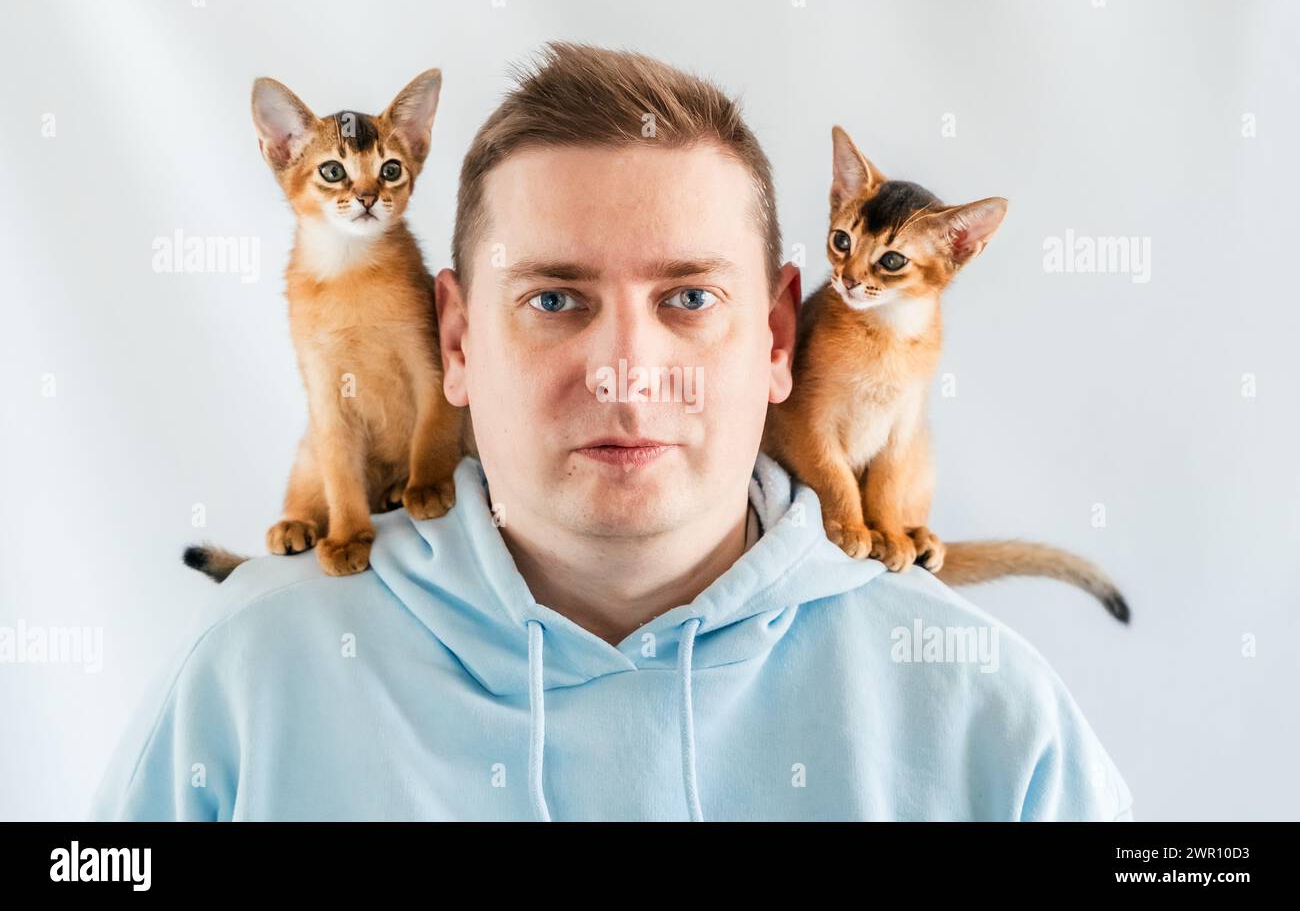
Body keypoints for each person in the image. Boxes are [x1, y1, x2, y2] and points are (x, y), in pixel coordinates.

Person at [90, 41, 1133, 821]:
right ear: (455, 337)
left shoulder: (987, 713)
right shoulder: (246, 677)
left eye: (686, 298)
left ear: (778, 334)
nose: (624, 368)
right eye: (553, 299)